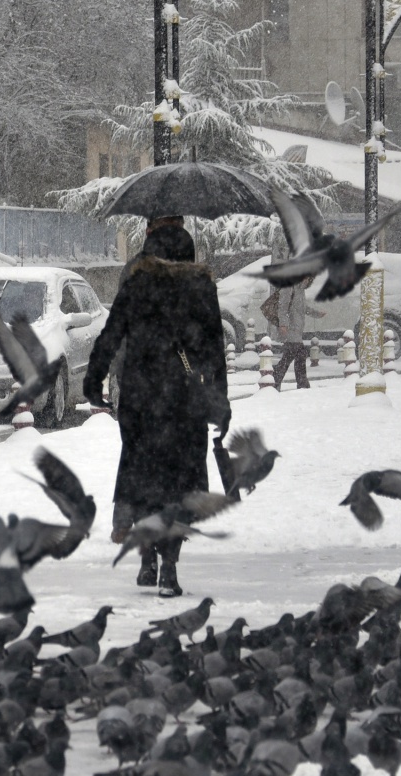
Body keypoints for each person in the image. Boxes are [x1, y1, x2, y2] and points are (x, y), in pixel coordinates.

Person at [85, 223, 230, 598]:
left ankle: (148, 561)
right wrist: (220, 399)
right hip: (185, 402)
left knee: (147, 479)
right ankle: (169, 568)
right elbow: (215, 347)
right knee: (180, 484)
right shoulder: (201, 288)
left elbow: (111, 333)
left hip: (141, 398)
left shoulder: (136, 285)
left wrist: (94, 379)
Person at [266, 275, 321, 390]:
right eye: (306, 277)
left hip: (297, 328)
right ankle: (301, 383)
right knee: (297, 354)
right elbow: (282, 308)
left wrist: (316, 313)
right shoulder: (289, 287)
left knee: (291, 356)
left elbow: (303, 308)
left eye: (309, 279)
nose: (307, 280)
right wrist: (283, 324)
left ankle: (275, 381)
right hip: (290, 328)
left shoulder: (300, 290)